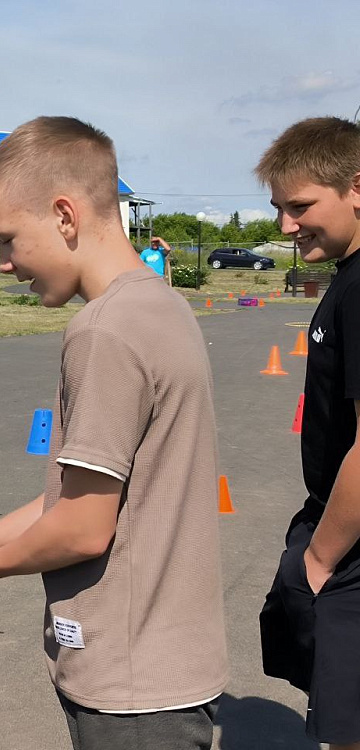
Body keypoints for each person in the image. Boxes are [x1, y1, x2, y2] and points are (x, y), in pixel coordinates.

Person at [0, 116, 228, 750]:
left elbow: (83, 527)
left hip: (130, 682)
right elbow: (84, 492)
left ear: (64, 215)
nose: (4, 263)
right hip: (167, 663)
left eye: (7, 240)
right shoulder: (161, 303)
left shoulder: (104, 330)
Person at [257, 117, 360, 750]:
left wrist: (318, 559)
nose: (285, 226)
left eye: (300, 206)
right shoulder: (347, 278)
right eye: (279, 208)